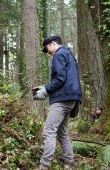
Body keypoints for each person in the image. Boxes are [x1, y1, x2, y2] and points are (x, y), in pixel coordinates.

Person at [32, 35, 82, 170]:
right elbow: (65, 79)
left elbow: (60, 78)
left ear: (53, 43)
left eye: (47, 48)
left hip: (62, 100)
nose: (48, 52)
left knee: (49, 131)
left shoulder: (59, 55)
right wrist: (44, 87)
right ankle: (69, 161)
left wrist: (45, 91)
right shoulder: (69, 55)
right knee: (62, 132)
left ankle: (44, 165)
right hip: (71, 98)